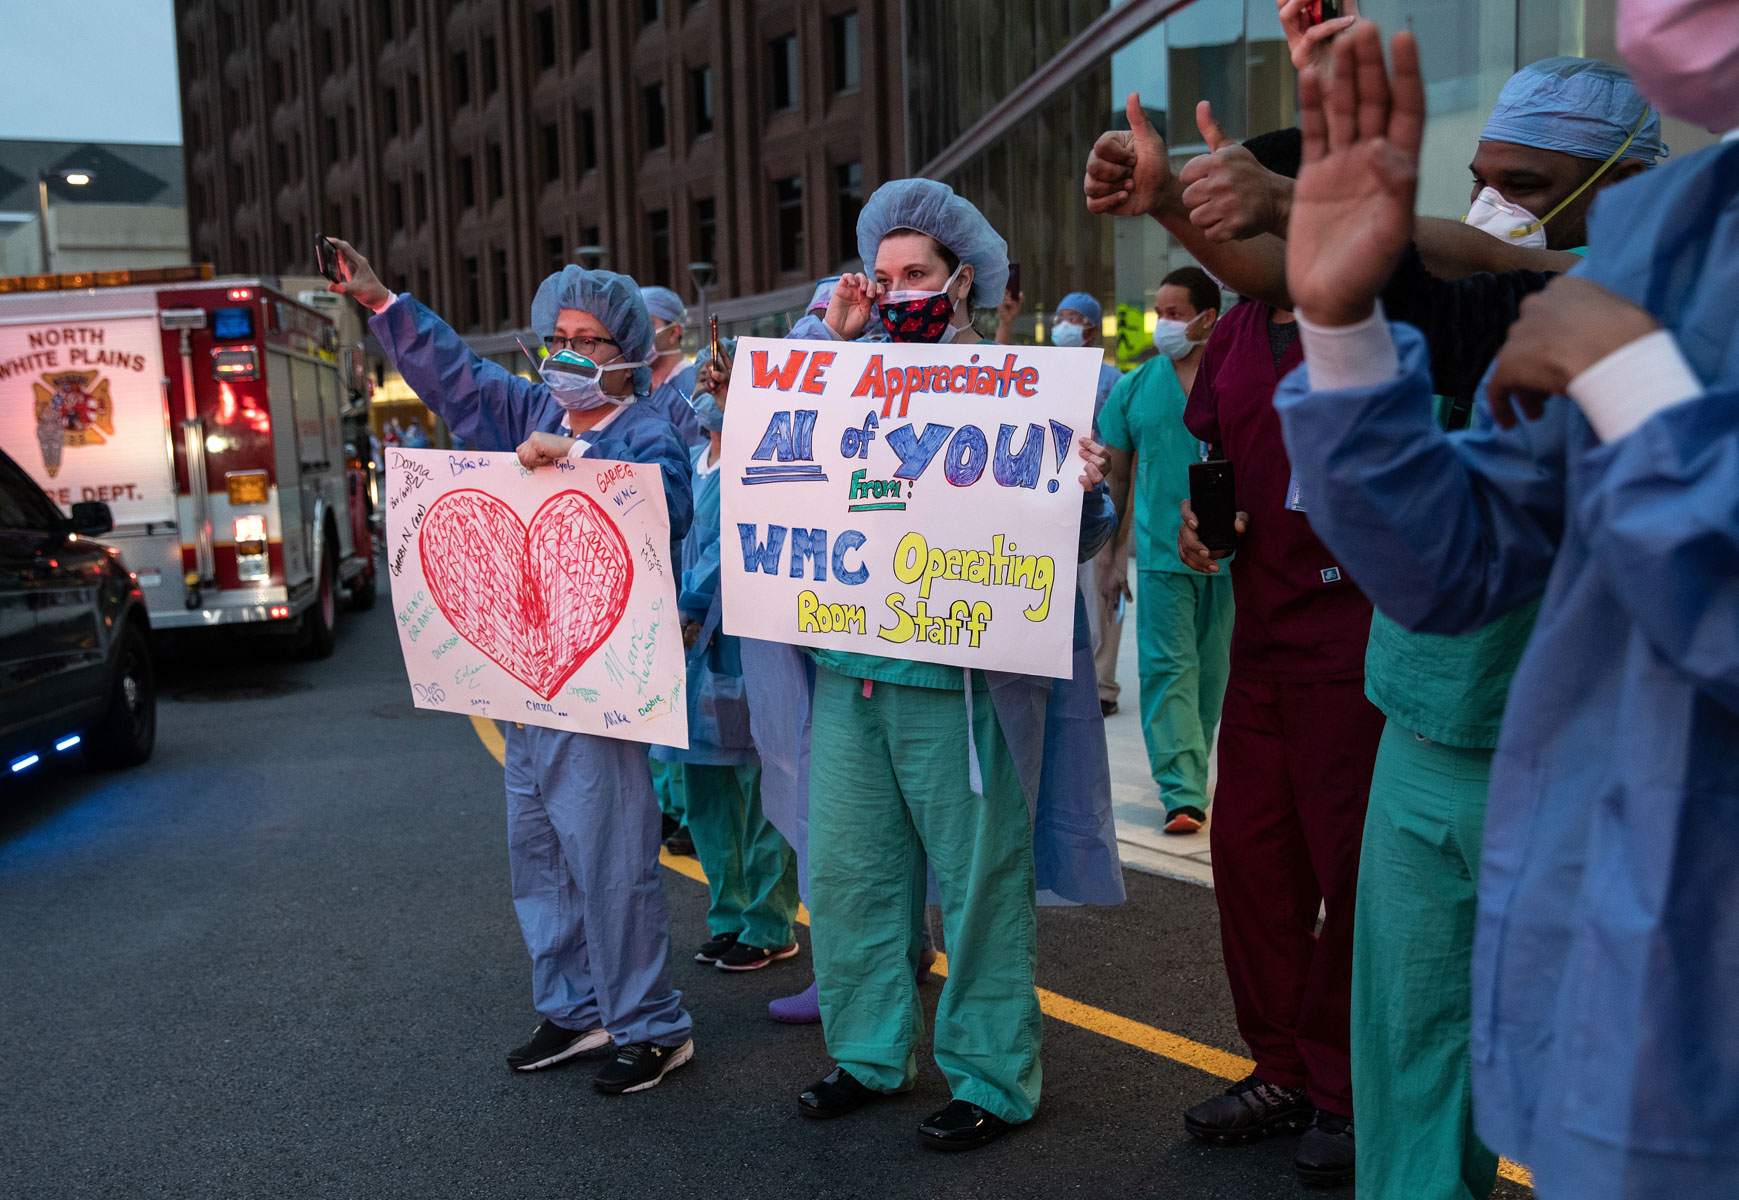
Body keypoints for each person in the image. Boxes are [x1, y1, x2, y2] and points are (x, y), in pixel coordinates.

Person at [1272, 12, 1739, 1200]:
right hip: (1542, 774)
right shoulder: (1677, 234)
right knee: (1443, 1077)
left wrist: (1629, 379)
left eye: (1524, 185)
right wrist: (1336, 324)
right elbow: (1456, 557)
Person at [787, 178, 1123, 1152]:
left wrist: (1084, 492)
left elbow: (1072, 534)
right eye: (881, 276)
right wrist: (833, 334)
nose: (896, 292)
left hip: (962, 684)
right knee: (850, 875)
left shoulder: (1020, 388)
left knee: (980, 884)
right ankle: (866, 1053)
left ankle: (989, 1074)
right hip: (851, 672)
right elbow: (779, 456)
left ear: (960, 277)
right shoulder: (845, 377)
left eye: (916, 274)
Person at [325, 239, 698, 1096]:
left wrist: (576, 464)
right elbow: (457, 379)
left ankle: (652, 1023)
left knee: (609, 857)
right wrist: (384, 303)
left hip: (599, 691)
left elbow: (663, 502)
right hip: (526, 689)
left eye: (590, 339)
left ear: (631, 353)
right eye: (557, 335)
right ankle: (578, 1008)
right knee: (539, 854)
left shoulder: (647, 429)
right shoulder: (534, 409)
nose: (567, 351)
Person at [652, 341, 802, 973]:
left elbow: (730, 549)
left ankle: (769, 922)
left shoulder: (759, 464)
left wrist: (690, 604)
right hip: (691, 654)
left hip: (746, 646)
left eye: (721, 380)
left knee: (763, 783)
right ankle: (728, 911)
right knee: (708, 785)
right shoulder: (690, 461)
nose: (708, 392)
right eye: (707, 381)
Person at [1097, 266, 1228, 836]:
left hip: (1228, 552)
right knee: (1167, 668)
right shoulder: (1134, 388)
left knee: (1213, 672)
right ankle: (1182, 790)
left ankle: (1192, 772)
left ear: (1208, 318)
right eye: (1162, 312)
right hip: (1156, 554)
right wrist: (1109, 558)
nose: (1164, 324)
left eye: (1176, 314)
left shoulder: (1233, 379)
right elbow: (1118, 485)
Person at [1048, 291, 1129, 716]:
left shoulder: (1115, 383)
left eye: (1073, 318)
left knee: (1102, 594)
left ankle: (1103, 685)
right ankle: (1067, 677)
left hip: (1097, 500)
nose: (1063, 324)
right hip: (1052, 502)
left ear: (1091, 329)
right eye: (1059, 316)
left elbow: (1121, 460)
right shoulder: (1044, 376)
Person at [640, 285, 706, 448]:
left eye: (648, 324)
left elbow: (695, 459)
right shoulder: (639, 387)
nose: (637, 334)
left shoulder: (690, 389)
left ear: (674, 332)